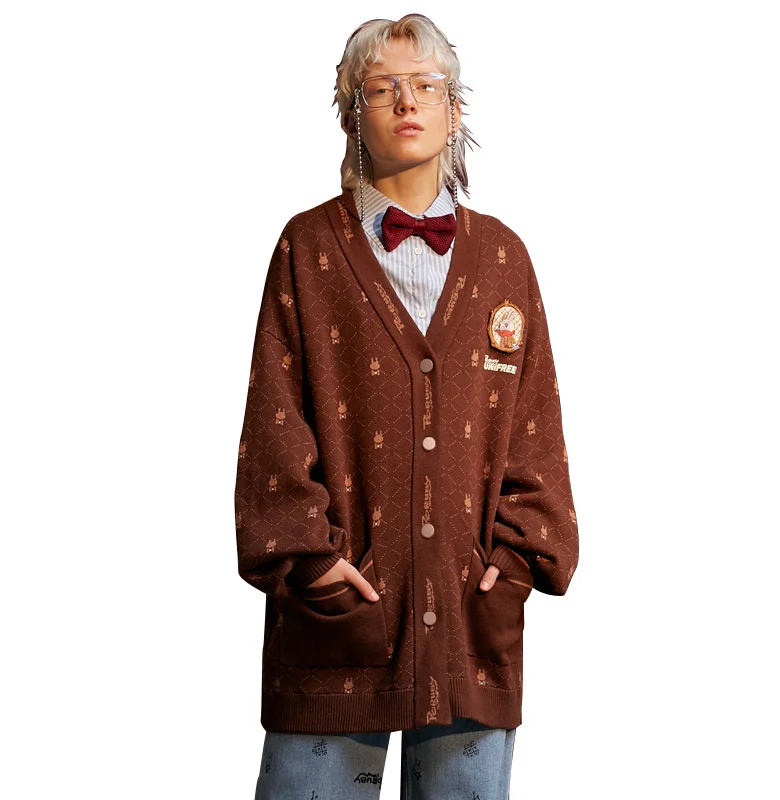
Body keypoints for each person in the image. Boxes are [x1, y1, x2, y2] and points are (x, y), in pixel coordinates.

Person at [234, 14, 580, 800]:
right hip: (333, 626)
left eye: (426, 85)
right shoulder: (306, 249)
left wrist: (513, 565)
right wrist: (311, 563)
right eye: (382, 87)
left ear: (455, 111)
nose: (406, 101)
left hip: (470, 626)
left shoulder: (504, 258)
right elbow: (274, 423)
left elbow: (536, 430)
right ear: (351, 114)